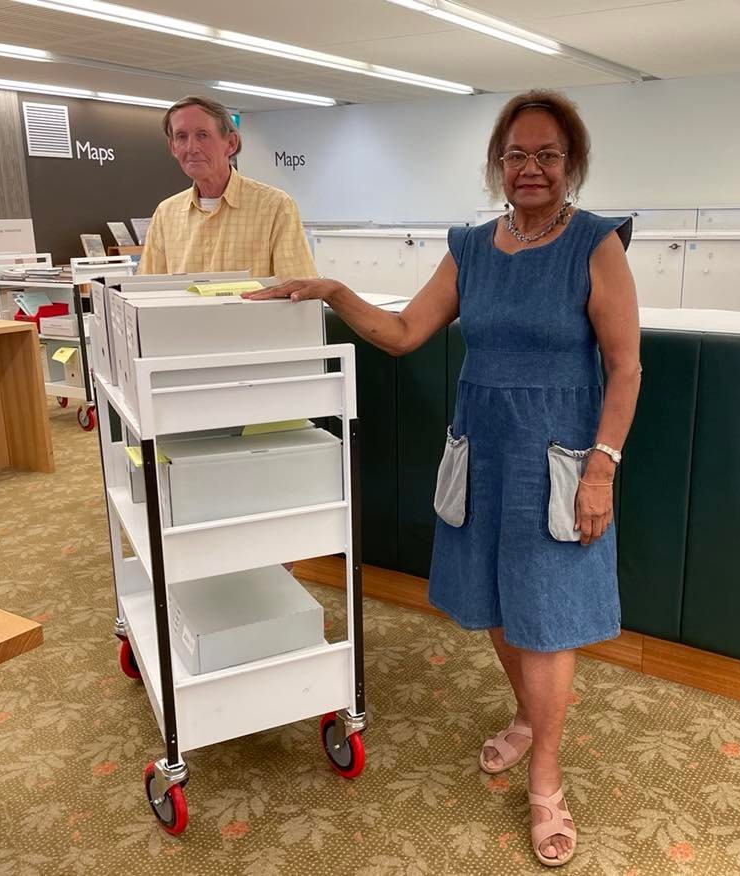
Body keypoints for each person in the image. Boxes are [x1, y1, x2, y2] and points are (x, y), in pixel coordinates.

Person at [246, 89, 640, 867]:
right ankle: (529, 717)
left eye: (548, 155)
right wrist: (332, 291)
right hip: (484, 448)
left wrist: (604, 467)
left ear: (572, 165)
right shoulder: (468, 246)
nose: (531, 168)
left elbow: (626, 368)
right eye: (517, 154)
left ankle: (546, 778)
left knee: (550, 615)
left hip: (560, 456)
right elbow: (402, 332)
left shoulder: (597, 244)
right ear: (498, 163)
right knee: (496, 599)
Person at [139, 95, 316, 281]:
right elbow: (145, 291)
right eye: (181, 137)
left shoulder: (275, 207)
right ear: (173, 147)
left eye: (203, 135)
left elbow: (299, 291)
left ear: (231, 143)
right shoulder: (166, 214)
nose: (192, 147)